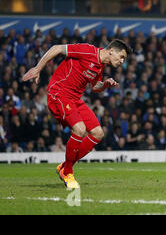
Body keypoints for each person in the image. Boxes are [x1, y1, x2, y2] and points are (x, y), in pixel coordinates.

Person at [22, 39, 132, 189]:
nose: (122, 61)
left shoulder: (100, 66)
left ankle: (64, 167)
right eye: (122, 57)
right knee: (80, 129)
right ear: (111, 50)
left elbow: (95, 87)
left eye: (124, 59)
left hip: (75, 99)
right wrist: (38, 68)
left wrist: (105, 84)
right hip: (59, 93)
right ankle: (68, 172)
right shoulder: (87, 50)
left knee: (98, 133)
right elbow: (57, 48)